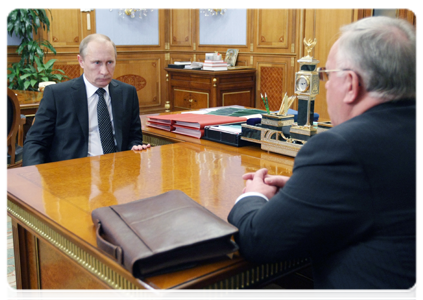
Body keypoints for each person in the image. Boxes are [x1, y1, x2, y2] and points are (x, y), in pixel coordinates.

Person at [228, 16, 419, 300]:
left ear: (351, 84)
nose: (325, 86)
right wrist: (310, 189)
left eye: (327, 76)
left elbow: (257, 241)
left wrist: (253, 195)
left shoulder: (343, 147)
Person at [23, 34, 150, 166]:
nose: (104, 71)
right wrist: (32, 177)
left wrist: (135, 147)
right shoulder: (57, 95)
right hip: (72, 173)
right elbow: (35, 141)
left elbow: (134, 137)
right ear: (81, 61)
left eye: (110, 62)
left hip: (118, 171)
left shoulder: (127, 93)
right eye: (97, 63)